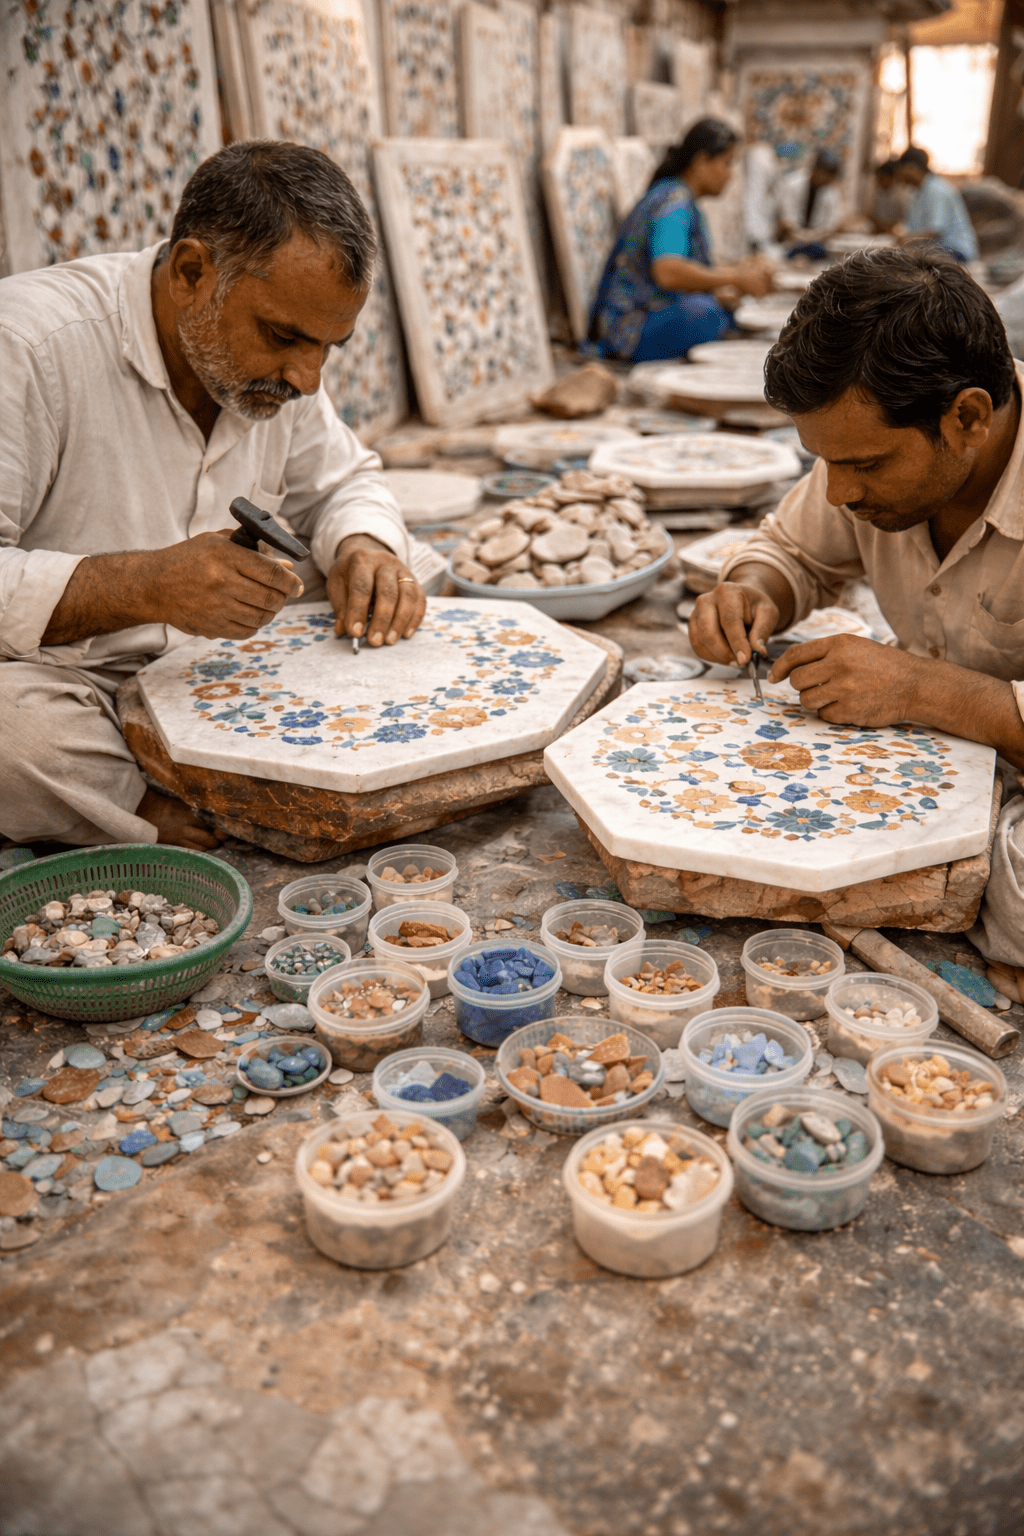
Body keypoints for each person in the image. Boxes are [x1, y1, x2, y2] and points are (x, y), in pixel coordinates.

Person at [0, 140, 426, 852]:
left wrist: (363, 545)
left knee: (404, 581)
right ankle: (138, 806)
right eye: (285, 337)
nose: (307, 379)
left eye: (331, 347)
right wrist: (142, 585)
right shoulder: (29, 347)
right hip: (80, 680)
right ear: (193, 272)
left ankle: (212, 782)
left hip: (224, 665)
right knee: (14, 736)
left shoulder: (277, 369)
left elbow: (345, 480)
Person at [688, 246, 1024, 973]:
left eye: (866, 465)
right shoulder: (865, 439)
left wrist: (918, 688)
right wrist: (750, 589)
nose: (840, 492)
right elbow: (792, 550)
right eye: (825, 462)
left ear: (967, 417)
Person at [586, 118, 773, 363]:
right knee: (706, 314)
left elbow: (689, 264)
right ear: (701, 162)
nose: (730, 175)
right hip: (629, 328)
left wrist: (737, 272)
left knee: (725, 310)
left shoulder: (679, 198)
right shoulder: (674, 204)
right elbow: (668, 271)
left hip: (650, 314)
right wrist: (735, 278)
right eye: (726, 164)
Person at [896, 146, 979, 262]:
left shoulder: (937, 189)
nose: (900, 174)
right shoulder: (917, 192)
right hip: (937, 249)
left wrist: (905, 240)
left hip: (955, 250)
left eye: (902, 169)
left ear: (912, 168)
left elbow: (935, 231)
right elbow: (912, 228)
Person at [777, 147, 846, 259]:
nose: (828, 180)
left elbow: (834, 222)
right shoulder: (792, 184)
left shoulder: (831, 191)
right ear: (815, 169)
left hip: (819, 245)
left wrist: (815, 236)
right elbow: (786, 219)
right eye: (825, 175)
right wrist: (801, 235)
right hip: (792, 243)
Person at [870, 159, 905, 233]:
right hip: (879, 233)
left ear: (890, 178)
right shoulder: (878, 193)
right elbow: (872, 216)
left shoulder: (902, 196)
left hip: (895, 233)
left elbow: (904, 221)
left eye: (881, 178)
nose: (878, 182)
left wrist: (888, 227)